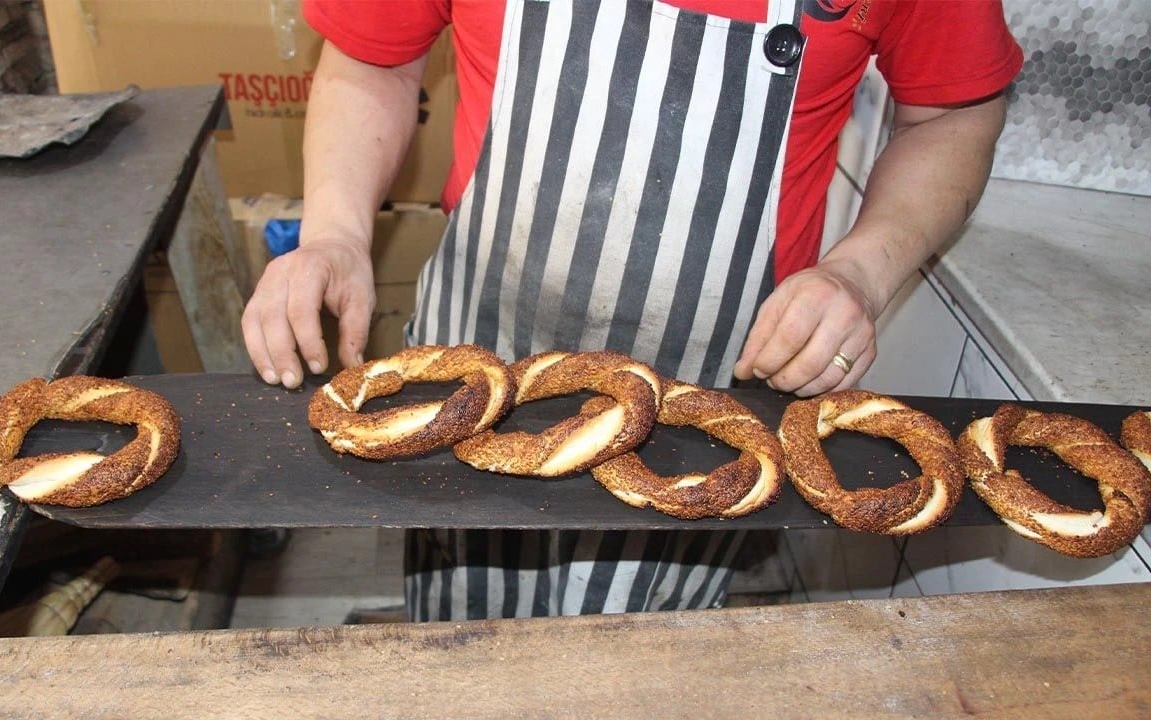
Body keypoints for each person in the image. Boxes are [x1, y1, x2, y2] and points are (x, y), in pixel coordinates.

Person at [242, 0, 1023, 620]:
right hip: (483, 344)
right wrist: (337, 235)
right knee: (462, 619)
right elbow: (372, 55)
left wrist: (859, 272)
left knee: (639, 637)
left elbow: (954, 112)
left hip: (714, 368)